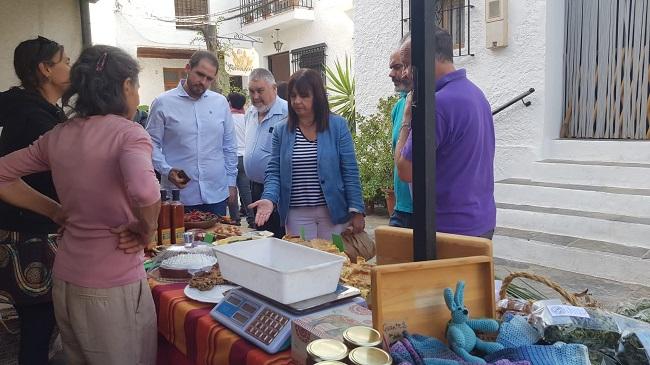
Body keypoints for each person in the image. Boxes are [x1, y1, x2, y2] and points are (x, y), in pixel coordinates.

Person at [0, 45, 160, 364]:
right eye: (137, 85)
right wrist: (147, 229)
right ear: (126, 86)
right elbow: (145, 190)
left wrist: (55, 211)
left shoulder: (59, 134)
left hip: (66, 280)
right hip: (111, 286)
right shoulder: (129, 134)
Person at [0, 36, 70, 365]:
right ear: (45, 69)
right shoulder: (34, 118)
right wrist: (55, 210)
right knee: (38, 329)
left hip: (37, 231)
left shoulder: (39, 110)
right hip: (31, 237)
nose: (70, 67)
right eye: (64, 61)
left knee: (40, 328)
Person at [395, 29, 496, 239]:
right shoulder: (476, 94)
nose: (404, 73)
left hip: (448, 229)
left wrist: (407, 119)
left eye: (406, 65)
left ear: (425, 58)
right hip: (480, 221)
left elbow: (405, 170)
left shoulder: (437, 104)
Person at [250, 68, 365, 240]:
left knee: (332, 262)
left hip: (332, 212)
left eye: (304, 96)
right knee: (303, 262)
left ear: (317, 97)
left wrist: (356, 209)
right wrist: (269, 198)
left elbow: (350, 170)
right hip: (297, 215)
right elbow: (274, 171)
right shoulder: (281, 130)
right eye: (293, 96)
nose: (297, 101)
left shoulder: (337, 126)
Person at [147, 50, 237, 215]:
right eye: (199, 74)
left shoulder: (220, 103)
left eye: (209, 78)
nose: (203, 82)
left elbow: (229, 145)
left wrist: (231, 182)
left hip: (216, 194)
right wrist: (166, 170)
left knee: (218, 240)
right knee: (182, 241)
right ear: (188, 68)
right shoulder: (163, 103)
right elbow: (151, 143)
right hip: (179, 197)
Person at [243, 68, 288, 237]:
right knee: (262, 236)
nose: (255, 97)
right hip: (254, 187)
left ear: (274, 88)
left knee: (280, 237)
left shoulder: (287, 113)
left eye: (260, 91)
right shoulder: (250, 113)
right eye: (251, 91)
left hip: (279, 190)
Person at [388, 46, 414, 229]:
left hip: (425, 211)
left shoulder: (435, 103)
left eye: (398, 66)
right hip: (401, 209)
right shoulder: (398, 107)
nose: (392, 73)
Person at [226, 91, 253, 226]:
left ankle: (234, 219)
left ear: (230, 103)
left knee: (231, 190)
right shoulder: (247, 118)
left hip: (231, 158)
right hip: (245, 158)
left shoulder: (227, 119)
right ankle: (252, 219)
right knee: (246, 191)